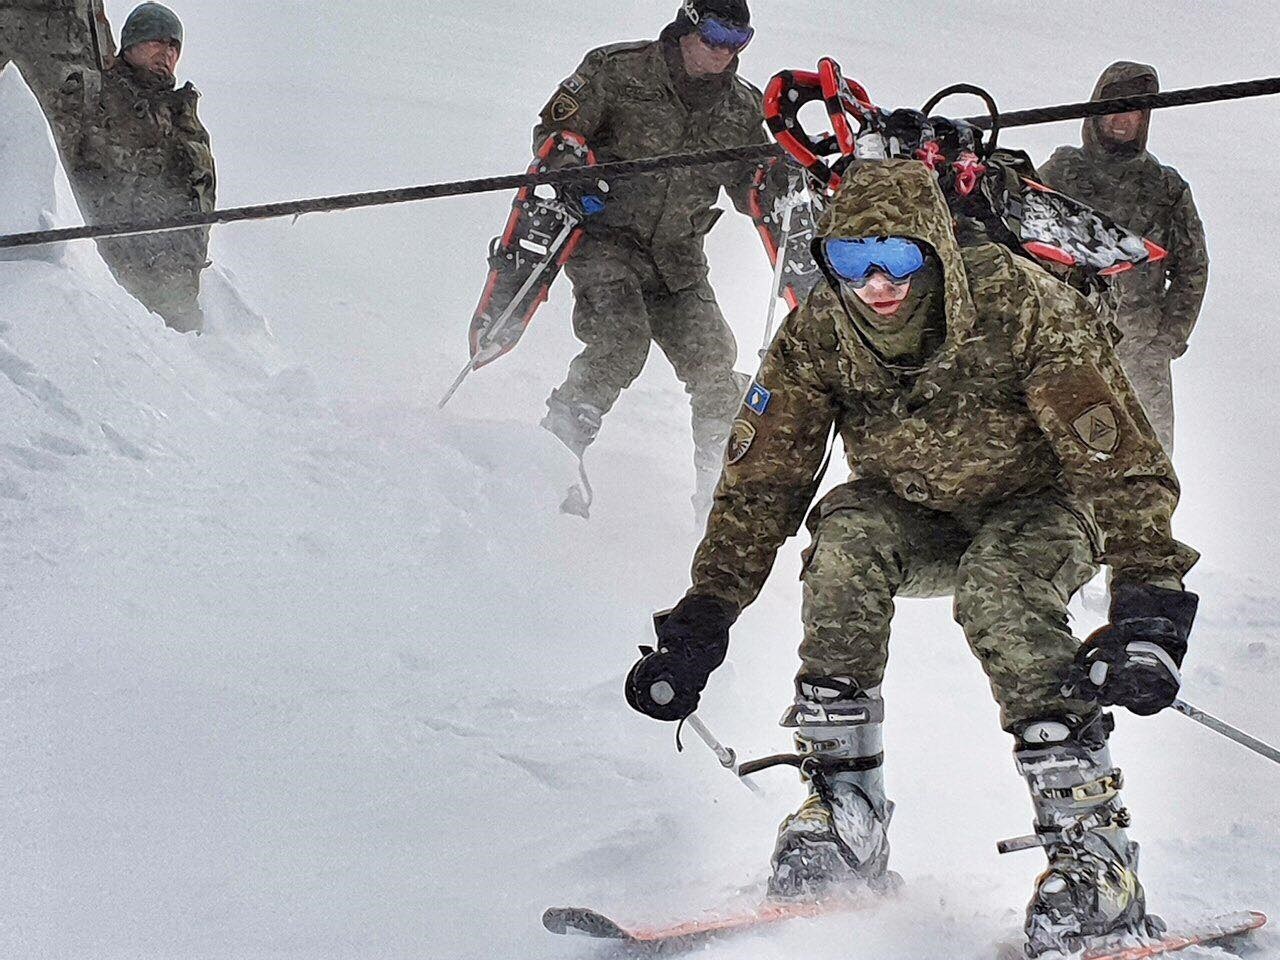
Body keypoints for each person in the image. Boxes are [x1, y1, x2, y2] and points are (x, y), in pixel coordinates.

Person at [624, 159, 1199, 956]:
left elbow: (1119, 461)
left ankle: (1094, 853)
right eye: (852, 262)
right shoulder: (822, 331)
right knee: (846, 534)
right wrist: (704, 618)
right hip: (916, 511)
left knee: (1000, 587)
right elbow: (763, 481)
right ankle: (845, 814)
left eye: (896, 258)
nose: (876, 284)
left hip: (1043, 504)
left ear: (934, 249)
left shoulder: (1020, 305)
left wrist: (1150, 604)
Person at [533, 0, 778, 520]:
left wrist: (777, 185)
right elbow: (556, 133)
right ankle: (553, 455)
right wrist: (569, 161)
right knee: (621, 343)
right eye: (714, 35)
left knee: (715, 364)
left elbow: (751, 185)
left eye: (739, 40)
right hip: (605, 243)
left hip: (679, 261)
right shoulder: (618, 70)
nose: (724, 52)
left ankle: (719, 492)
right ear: (688, 25)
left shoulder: (741, 107)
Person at [1039, 63, 1209, 454]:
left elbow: (1193, 268)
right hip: (1068, 347)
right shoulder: (1061, 173)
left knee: (1149, 465)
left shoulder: (1165, 186)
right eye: (1114, 106)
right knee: (1063, 460)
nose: (1121, 118)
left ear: (1145, 118)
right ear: (1095, 110)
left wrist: (1165, 340)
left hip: (1140, 354)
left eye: (1134, 108)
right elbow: (1025, 246)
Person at [55, 2, 215, 333]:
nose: (167, 53)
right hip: (104, 278)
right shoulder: (92, 94)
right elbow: (51, 169)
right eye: (158, 41)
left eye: (174, 47)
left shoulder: (185, 121)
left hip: (176, 291)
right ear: (131, 43)